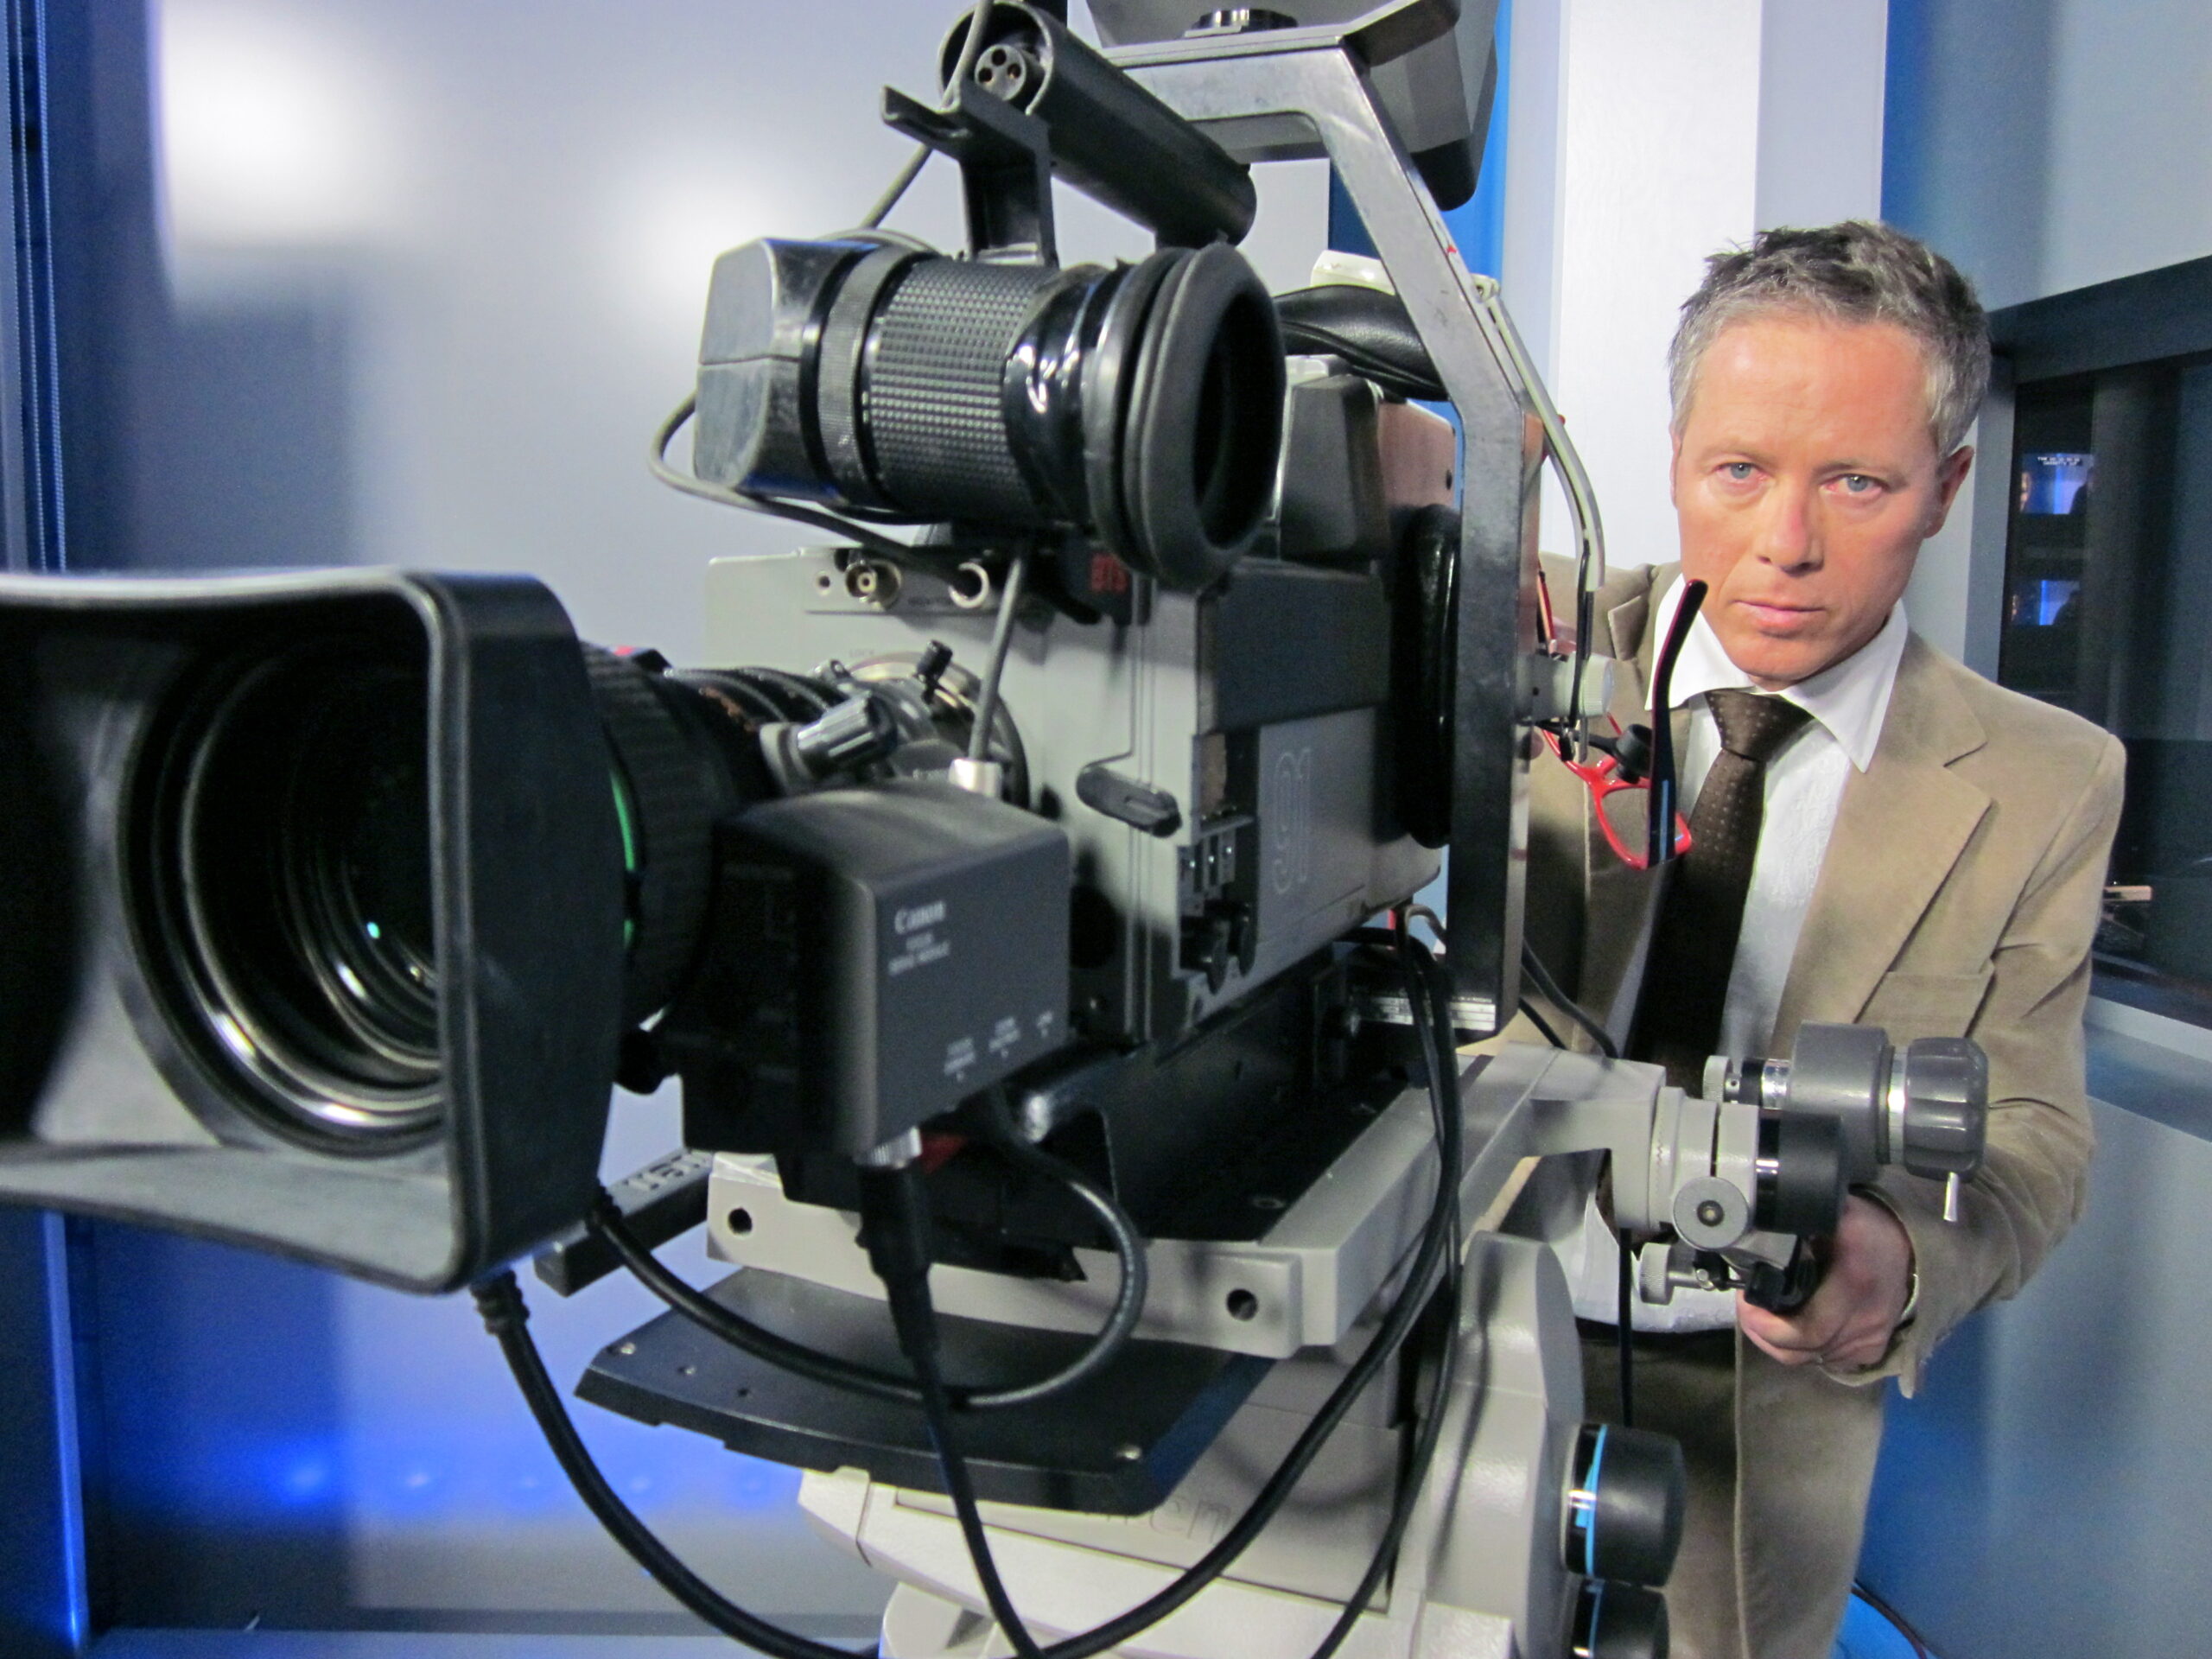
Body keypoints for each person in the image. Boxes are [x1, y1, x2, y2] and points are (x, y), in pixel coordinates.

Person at [1514, 221, 2124, 1659]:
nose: (1785, 544)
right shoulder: (1510, 643)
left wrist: (1898, 1258)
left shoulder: (2047, 778)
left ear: (1947, 489)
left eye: (1857, 483)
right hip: (1460, 1314)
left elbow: (2035, 1137)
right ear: (1676, 457)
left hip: (1754, 1413)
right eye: (1740, 472)